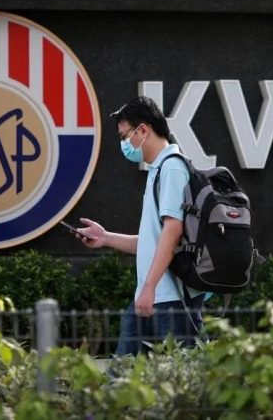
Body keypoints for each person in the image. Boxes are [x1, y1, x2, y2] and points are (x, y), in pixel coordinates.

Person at [73, 96, 205, 356]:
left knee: (174, 376)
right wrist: (105, 237)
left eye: (125, 136)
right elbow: (154, 241)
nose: (125, 144)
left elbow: (172, 232)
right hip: (153, 298)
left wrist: (149, 287)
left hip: (171, 299)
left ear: (143, 130)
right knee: (125, 373)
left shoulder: (172, 168)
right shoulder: (159, 170)